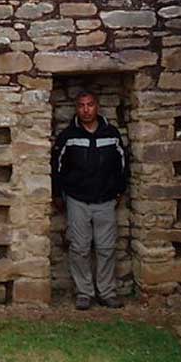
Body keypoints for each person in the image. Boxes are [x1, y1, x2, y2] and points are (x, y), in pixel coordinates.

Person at [51, 91, 128, 310]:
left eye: (90, 105)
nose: (86, 109)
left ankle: (107, 292)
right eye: (81, 105)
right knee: (80, 248)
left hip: (105, 200)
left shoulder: (111, 133)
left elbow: (123, 165)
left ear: (97, 107)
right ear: (77, 108)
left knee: (106, 247)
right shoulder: (68, 136)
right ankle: (84, 293)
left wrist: (119, 190)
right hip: (77, 199)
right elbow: (56, 167)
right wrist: (58, 194)